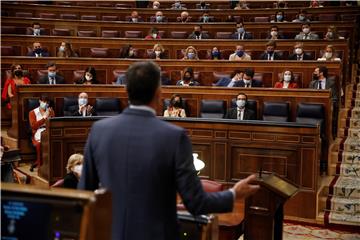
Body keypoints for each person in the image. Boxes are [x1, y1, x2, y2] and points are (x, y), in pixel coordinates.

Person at [78, 61, 260, 240]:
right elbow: (196, 202)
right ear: (159, 92)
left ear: (127, 92)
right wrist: (233, 194)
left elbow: (83, 195)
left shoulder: (99, 131)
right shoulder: (174, 136)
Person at [29, 95, 55, 171]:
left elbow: (53, 124)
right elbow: (34, 126)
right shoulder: (32, 112)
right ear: (39, 101)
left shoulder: (50, 111)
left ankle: (50, 164)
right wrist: (44, 117)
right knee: (41, 143)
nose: (45, 103)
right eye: (44, 101)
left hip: (48, 130)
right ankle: (41, 165)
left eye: (47, 102)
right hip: (38, 131)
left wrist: (50, 115)